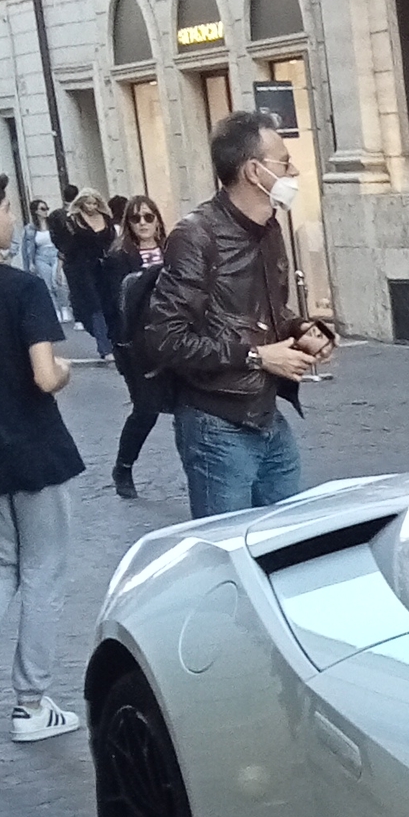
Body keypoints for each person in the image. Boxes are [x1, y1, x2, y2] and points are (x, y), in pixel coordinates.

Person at [144, 110, 332, 517]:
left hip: (265, 414)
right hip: (216, 422)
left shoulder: (269, 226)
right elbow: (165, 338)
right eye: (284, 162)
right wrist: (258, 356)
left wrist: (302, 329)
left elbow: (267, 311)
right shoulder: (196, 235)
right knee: (226, 552)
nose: (294, 170)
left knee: (286, 539)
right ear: (254, 171)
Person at [0, 166, 82, 742]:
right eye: (4, 210)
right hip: (33, 448)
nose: (11, 219)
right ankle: (31, 704)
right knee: (44, 571)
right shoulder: (22, 288)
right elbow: (43, 375)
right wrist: (64, 372)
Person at [102, 194, 171, 498]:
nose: (143, 223)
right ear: (127, 223)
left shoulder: (174, 251)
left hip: (174, 340)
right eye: (135, 218)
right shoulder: (118, 258)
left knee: (188, 407)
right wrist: (119, 346)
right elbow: (112, 306)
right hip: (135, 345)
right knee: (146, 410)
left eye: (148, 216)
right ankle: (123, 467)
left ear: (157, 219)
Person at [51, 186, 117, 361]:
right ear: (81, 203)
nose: (91, 206)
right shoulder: (74, 220)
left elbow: (112, 242)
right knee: (92, 306)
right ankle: (104, 346)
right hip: (80, 267)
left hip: (103, 266)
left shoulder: (106, 219)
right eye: (88, 203)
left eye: (95, 203)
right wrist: (61, 265)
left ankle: (109, 340)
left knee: (107, 303)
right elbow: (67, 245)